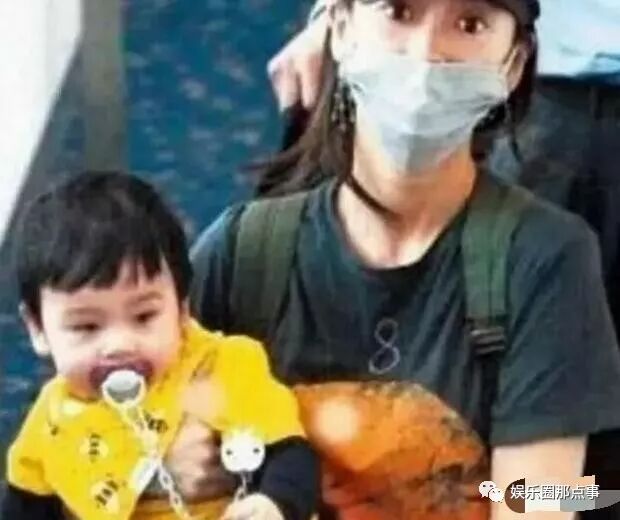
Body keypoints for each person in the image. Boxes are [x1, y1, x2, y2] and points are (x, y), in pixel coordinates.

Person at [186, 0, 620, 519]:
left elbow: (542, 500)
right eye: (398, 12)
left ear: (514, 63)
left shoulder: (548, 258)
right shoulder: (242, 253)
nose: (426, 55)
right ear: (339, 26)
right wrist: (162, 466)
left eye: (469, 25)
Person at [1, 172, 319, 520]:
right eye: (86, 327)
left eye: (143, 317)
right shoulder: (49, 420)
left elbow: (290, 455)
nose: (119, 344)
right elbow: (23, 507)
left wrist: (273, 504)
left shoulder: (223, 368)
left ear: (181, 309)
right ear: (38, 328)